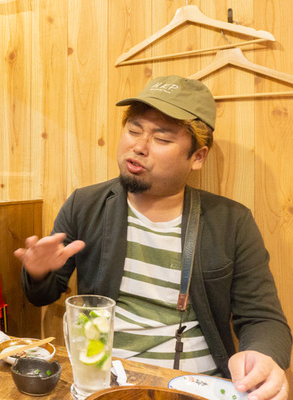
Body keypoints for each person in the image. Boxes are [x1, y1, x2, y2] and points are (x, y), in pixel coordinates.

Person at [15, 75, 291, 400]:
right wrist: (38, 272)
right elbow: (42, 296)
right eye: (134, 130)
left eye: (161, 138)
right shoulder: (85, 205)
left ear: (198, 157)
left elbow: (262, 318)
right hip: (107, 383)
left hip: (195, 385)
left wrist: (263, 357)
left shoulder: (231, 221)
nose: (139, 147)